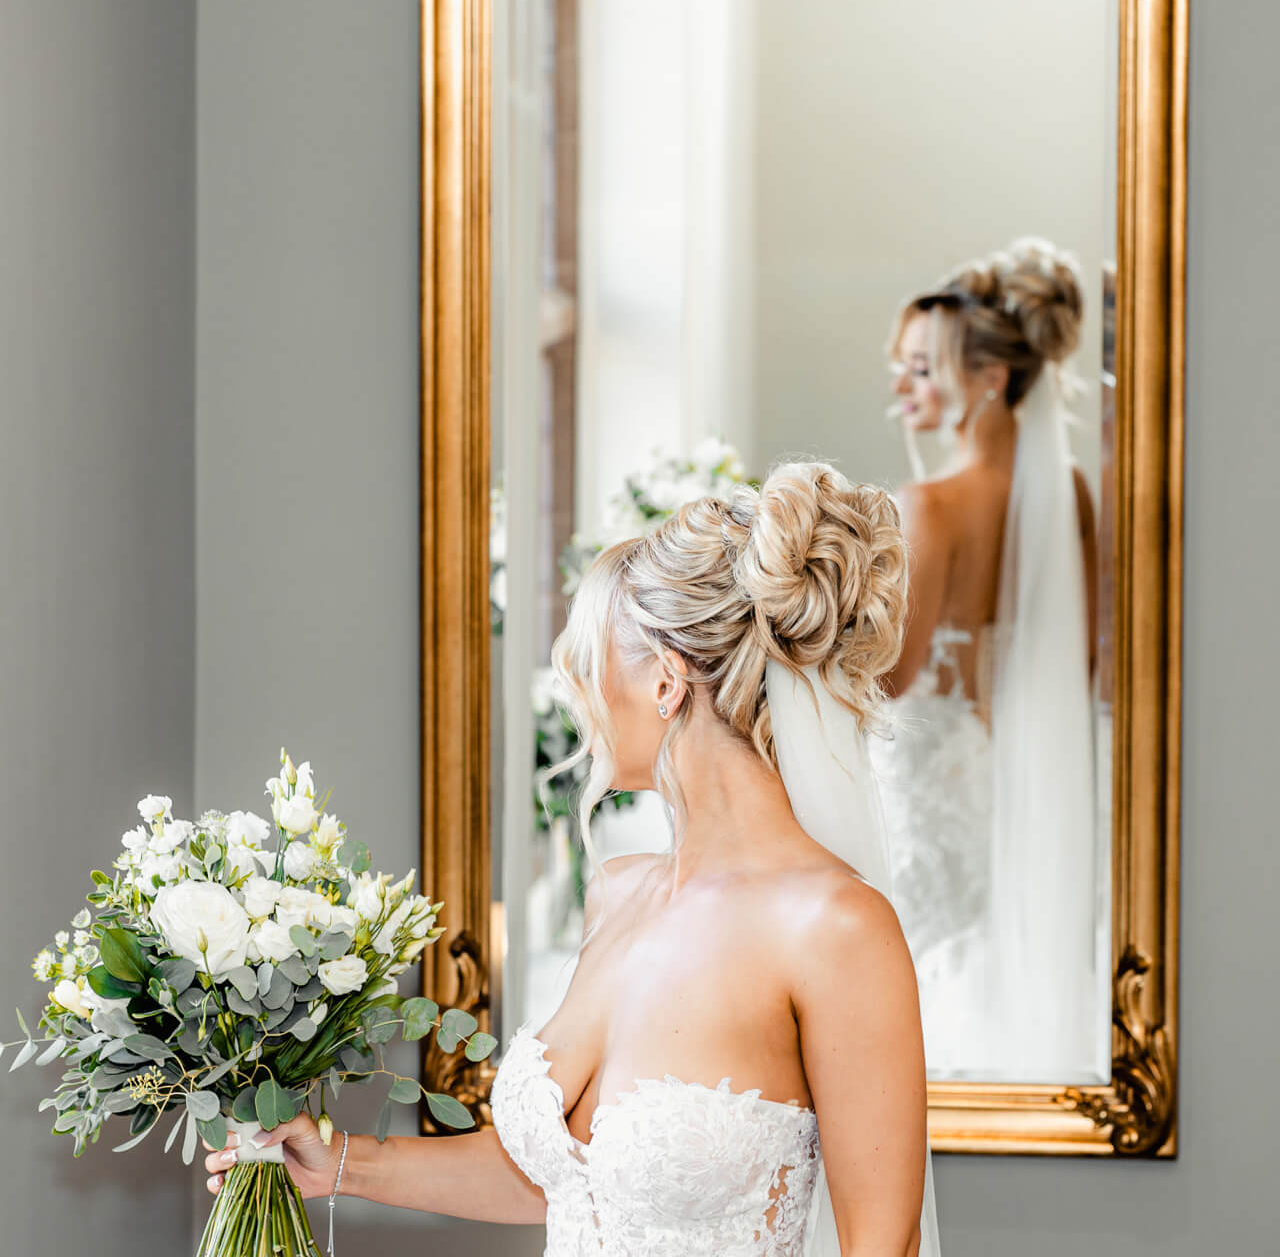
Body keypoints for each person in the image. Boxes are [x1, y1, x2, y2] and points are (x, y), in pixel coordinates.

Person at [204, 461, 939, 1255]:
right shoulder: (618, 894)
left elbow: (881, 1247)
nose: (577, 692)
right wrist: (341, 1162)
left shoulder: (837, 930)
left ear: (666, 681)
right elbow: (567, 1178)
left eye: (587, 661)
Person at [875, 237, 1098, 1080]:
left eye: (922, 367)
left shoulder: (927, 507)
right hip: (1024, 776)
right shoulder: (1070, 494)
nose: (903, 384)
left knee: (930, 968)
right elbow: (1074, 671)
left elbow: (896, 675)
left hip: (930, 783)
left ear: (991, 377)